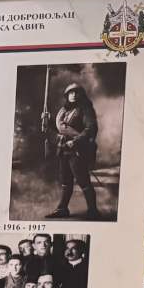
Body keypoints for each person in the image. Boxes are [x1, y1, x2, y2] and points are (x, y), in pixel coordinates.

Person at [45, 82, 100, 219]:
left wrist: (75, 141)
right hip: (63, 149)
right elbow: (60, 129)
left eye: (76, 92)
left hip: (77, 150)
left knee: (83, 181)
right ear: (67, 95)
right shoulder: (64, 111)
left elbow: (90, 129)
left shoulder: (85, 109)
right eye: (71, 92)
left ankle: (93, 211)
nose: (73, 95)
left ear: (81, 95)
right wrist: (49, 121)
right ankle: (62, 209)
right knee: (66, 181)